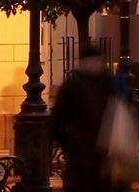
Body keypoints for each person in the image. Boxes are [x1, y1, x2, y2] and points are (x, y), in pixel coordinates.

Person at [51, 44, 118, 192]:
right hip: (101, 155)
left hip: (80, 155)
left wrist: (69, 144)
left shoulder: (72, 85)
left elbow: (57, 123)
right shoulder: (108, 84)